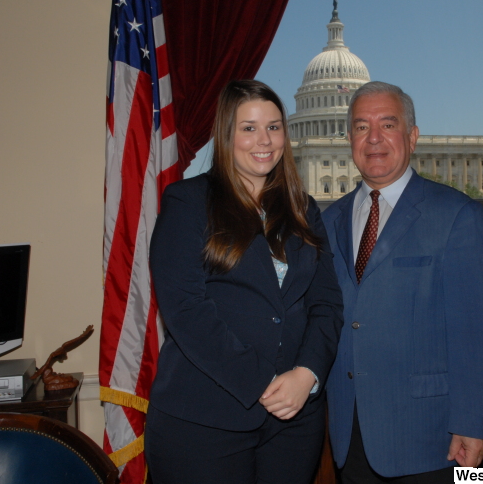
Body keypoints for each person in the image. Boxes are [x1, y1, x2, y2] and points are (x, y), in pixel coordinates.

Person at [145, 80, 344, 484]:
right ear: (226, 134)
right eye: (248, 127)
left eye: (273, 126)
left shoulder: (303, 207)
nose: (264, 140)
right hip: (204, 420)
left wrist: (308, 373)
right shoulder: (187, 202)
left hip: (294, 419)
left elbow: (326, 302)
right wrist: (263, 382)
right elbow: (185, 310)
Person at [322, 81, 483, 482]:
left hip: (429, 436)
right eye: (362, 127)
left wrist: (473, 422)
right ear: (349, 138)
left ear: (413, 136)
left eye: (388, 124)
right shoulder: (328, 221)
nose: (375, 139)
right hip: (351, 432)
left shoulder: (457, 215)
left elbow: (474, 332)